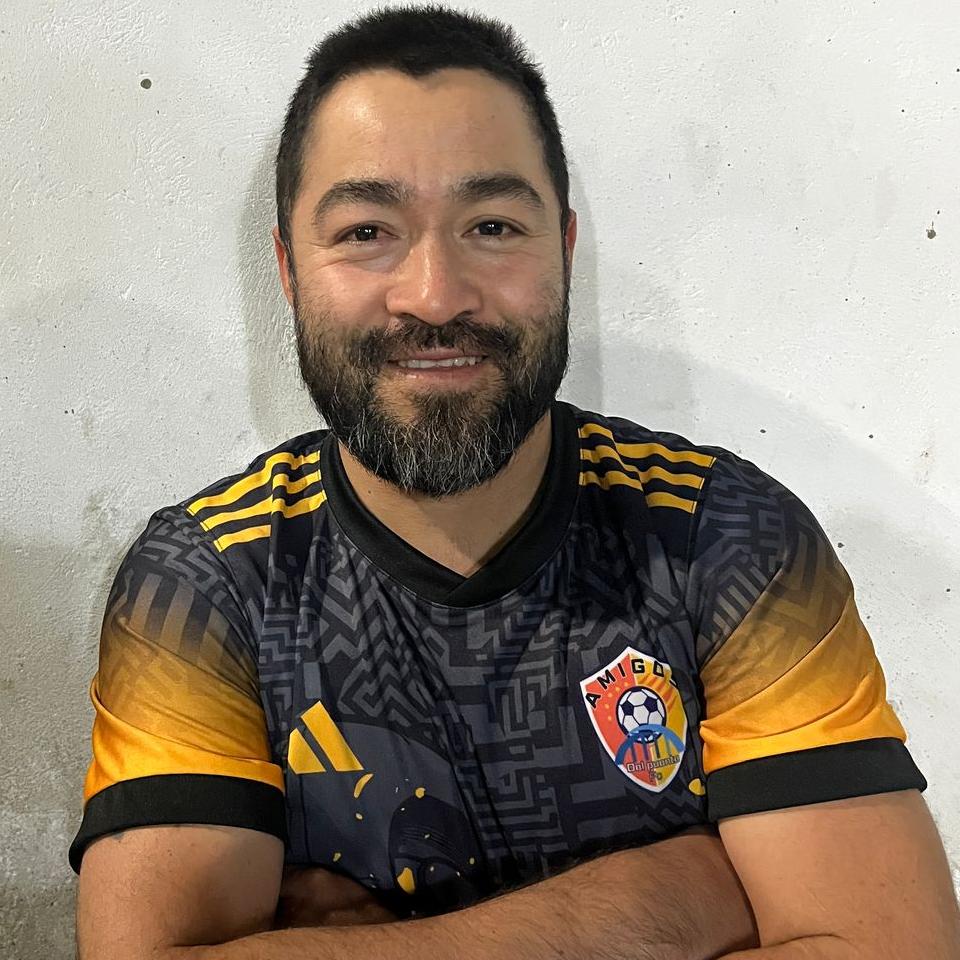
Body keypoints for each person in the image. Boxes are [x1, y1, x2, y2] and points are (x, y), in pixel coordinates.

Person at [72, 5, 960, 959]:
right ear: (289, 271)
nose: (434, 295)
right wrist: (666, 898)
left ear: (563, 251)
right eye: (367, 230)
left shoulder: (727, 539)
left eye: (492, 225)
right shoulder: (206, 581)